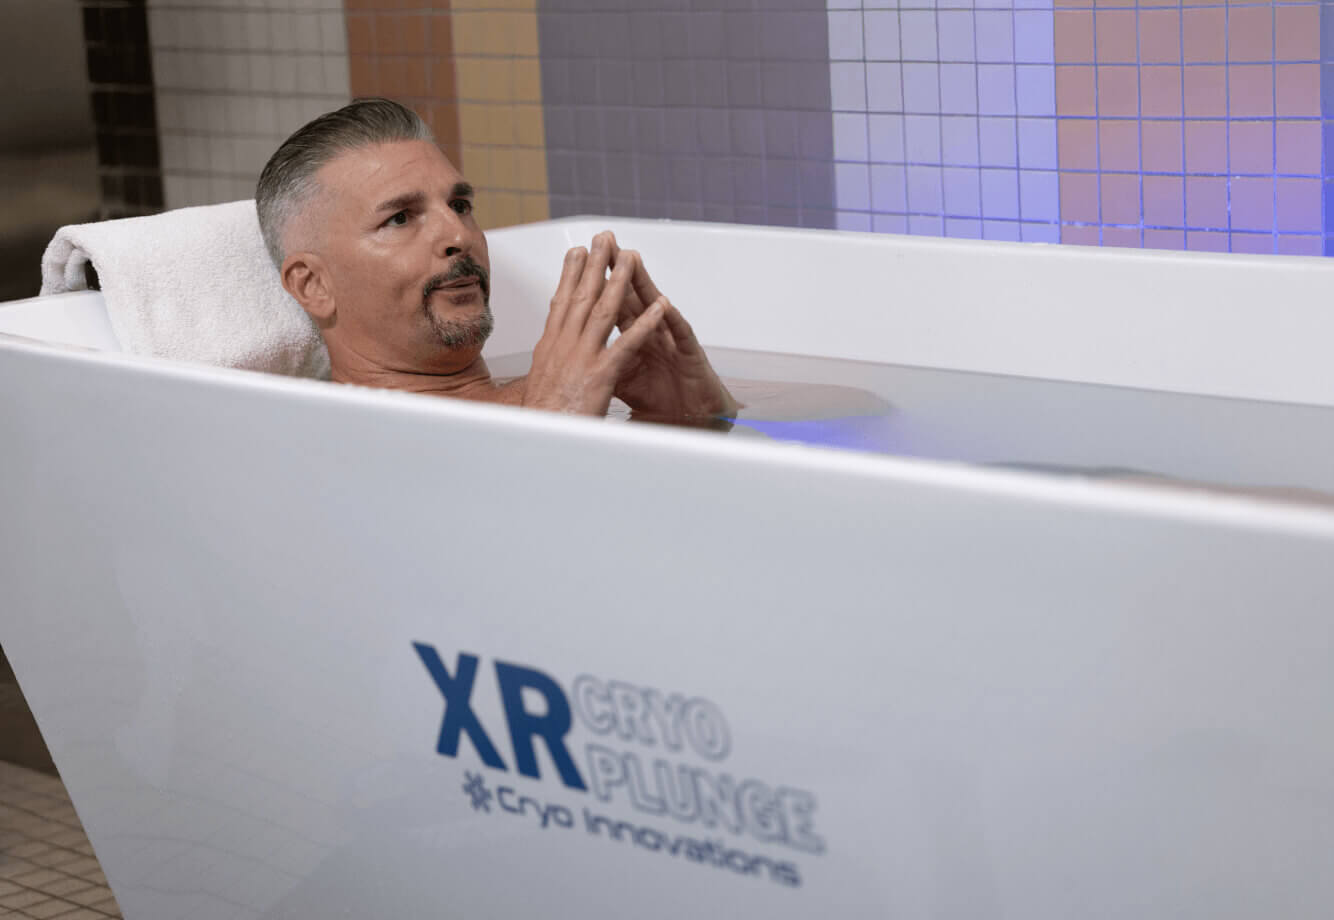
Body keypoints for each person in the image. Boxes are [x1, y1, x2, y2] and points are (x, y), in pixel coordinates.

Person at [256, 97, 737, 421]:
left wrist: (706, 418)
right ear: (312, 286)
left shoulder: (571, 390)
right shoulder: (330, 447)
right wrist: (550, 434)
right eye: (401, 218)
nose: (458, 234)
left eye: (460, 206)